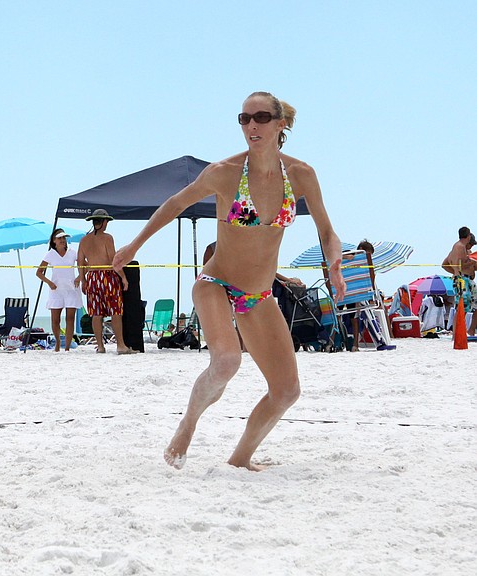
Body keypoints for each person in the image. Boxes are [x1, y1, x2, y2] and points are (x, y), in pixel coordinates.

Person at [114, 91, 346, 471]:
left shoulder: (301, 175)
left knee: (287, 391)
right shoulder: (225, 172)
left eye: (261, 117)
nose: (251, 125)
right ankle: (188, 423)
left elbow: (327, 231)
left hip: (259, 295)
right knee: (225, 361)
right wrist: (135, 245)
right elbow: (177, 203)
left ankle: (240, 459)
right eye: (244, 118)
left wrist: (334, 264)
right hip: (216, 282)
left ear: (280, 124)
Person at [77, 209, 134, 354]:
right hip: (107, 276)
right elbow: (112, 260)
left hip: (92, 277)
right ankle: (120, 345)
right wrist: (123, 277)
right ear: (103, 222)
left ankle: (101, 346)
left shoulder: (84, 240)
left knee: (96, 313)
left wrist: (83, 280)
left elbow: (80, 261)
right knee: (115, 311)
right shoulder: (107, 238)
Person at [36, 229, 82, 352]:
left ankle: (67, 346)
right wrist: (49, 283)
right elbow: (39, 272)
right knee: (55, 319)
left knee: (70, 319)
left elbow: (85, 266)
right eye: (59, 238)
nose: (62, 240)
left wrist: (79, 277)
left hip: (71, 289)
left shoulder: (73, 253)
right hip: (56, 290)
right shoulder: (50, 254)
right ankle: (57, 343)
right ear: (54, 241)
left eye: (64, 238)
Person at [442, 227, 477, 336]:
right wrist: (456, 272)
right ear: (468, 237)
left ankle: (470, 331)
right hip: (462, 279)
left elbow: (446, 264)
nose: (471, 246)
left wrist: (456, 270)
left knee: (472, 306)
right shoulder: (459, 247)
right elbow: (460, 265)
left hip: (467, 280)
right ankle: (456, 334)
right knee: (462, 307)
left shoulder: (464, 250)